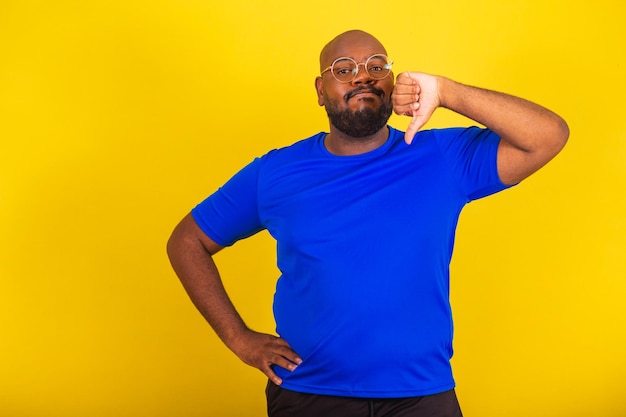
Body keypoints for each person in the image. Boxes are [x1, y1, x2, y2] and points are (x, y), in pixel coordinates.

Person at [166, 30, 569, 417]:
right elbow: (187, 241)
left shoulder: (441, 156)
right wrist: (239, 340)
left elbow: (548, 135)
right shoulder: (274, 172)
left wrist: (447, 92)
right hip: (309, 395)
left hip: (421, 396)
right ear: (320, 91)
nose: (362, 75)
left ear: (393, 83)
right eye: (343, 69)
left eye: (377, 66)